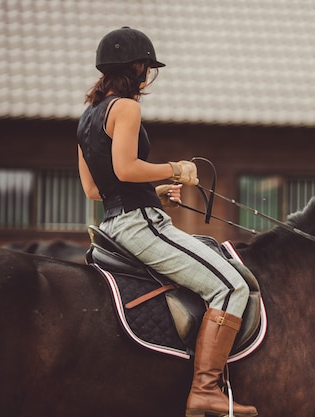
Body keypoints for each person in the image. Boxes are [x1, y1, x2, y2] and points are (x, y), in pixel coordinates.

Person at [76, 26, 258, 417]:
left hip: (114, 227)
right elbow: (125, 168)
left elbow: (95, 189)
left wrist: (154, 192)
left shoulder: (86, 119)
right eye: (147, 69)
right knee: (233, 287)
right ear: (138, 67)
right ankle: (206, 390)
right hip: (140, 227)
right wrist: (177, 169)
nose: (147, 77)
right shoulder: (125, 107)